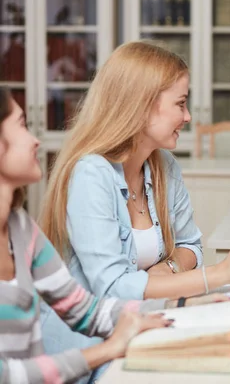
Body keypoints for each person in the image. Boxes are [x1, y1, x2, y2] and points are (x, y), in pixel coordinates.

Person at [38, 41, 230, 382]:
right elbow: (112, 287)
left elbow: (192, 246)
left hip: (146, 323)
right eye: (180, 103)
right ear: (144, 106)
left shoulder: (164, 166)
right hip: (90, 348)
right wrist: (220, 273)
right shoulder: (91, 174)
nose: (188, 116)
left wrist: (162, 272)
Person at [0, 86, 215, 383]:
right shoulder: (92, 173)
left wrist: (183, 305)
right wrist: (109, 349)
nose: (36, 139)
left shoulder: (21, 230)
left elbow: (83, 309)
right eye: (22, 125)